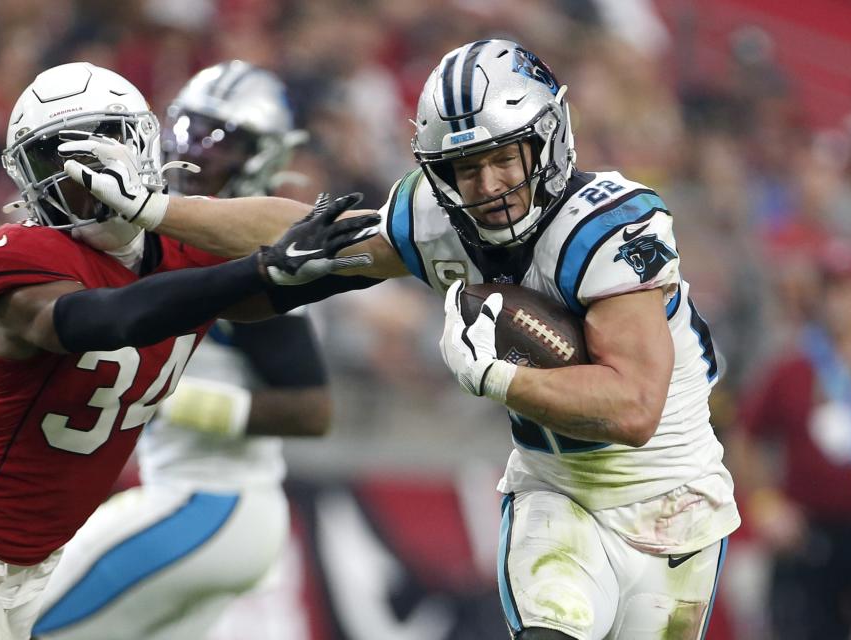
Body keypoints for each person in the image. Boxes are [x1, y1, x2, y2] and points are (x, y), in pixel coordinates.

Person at [68, 39, 741, 640]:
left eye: (504, 158)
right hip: (555, 487)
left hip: (671, 500)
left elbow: (633, 409)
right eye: (465, 168)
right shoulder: (438, 218)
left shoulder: (609, 228)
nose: (488, 188)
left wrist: (503, 379)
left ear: (547, 142)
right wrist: (156, 210)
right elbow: (310, 233)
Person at [0, 61, 378, 640]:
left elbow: (297, 276)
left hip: (58, 550)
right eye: (52, 163)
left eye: (90, 159)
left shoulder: (190, 239)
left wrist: (405, 249)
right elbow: (99, 319)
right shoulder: (16, 251)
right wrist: (257, 269)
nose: (74, 182)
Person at [32, 61, 329, 640]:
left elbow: (314, 409)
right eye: (191, 127)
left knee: (16, 622)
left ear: (263, 154)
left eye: (223, 138)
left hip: (212, 499)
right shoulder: (161, 227)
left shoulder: (246, 250)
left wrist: (171, 399)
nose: (198, 150)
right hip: (195, 500)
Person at [732, 238, 851, 640]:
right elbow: (744, 440)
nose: (844, 302)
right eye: (834, 290)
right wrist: (767, 506)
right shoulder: (793, 366)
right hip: (810, 539)